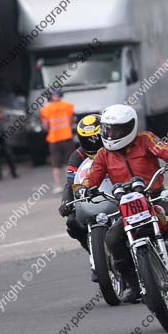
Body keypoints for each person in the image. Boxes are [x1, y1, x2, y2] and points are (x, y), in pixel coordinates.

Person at [81, 104, 168, 302]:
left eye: (117, 129)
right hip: (127, 203)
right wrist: (84, 188)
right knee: (112, 238)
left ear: (130, 127)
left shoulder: (144, 140)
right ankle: (133, 283)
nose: (111, 134)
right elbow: (92, 176)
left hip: (155, 195)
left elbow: (163, 147)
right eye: (108, 129)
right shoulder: (103, 154)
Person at [58, 115, 103, 279]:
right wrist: (65, 201)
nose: (92, 143)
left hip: (114, 193)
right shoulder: (77, 156)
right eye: (87, 139)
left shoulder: (114, 148)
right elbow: (70, 183)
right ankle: (93, 252)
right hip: (89, 196)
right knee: (72, 222)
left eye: (95, 138)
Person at [40, 88, 76, 194]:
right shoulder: (68, 106)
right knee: (69, 163)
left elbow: (46, 126)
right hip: (67, 137)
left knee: (56, 164)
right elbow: (71, 121)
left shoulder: (45, 109)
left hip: (54, 139)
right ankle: (71, 184)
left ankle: (58, 186)